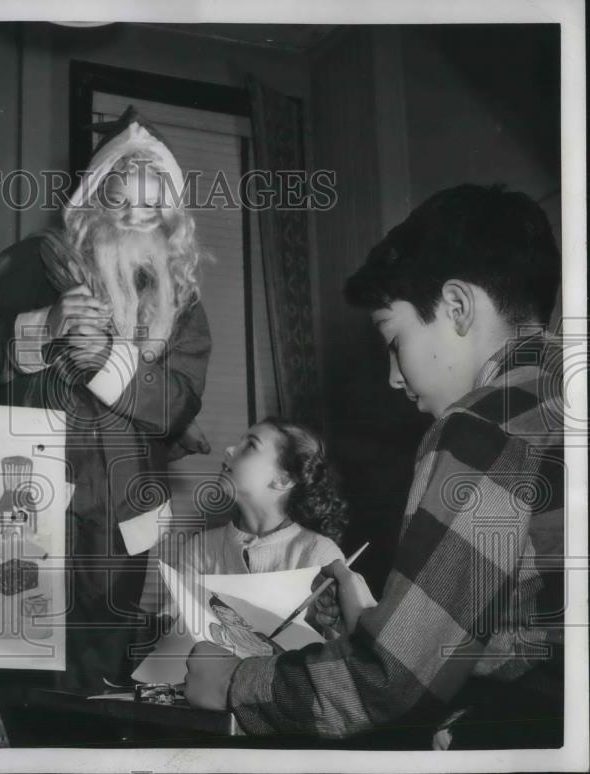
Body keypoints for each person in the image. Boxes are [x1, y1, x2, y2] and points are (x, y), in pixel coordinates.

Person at [184, 184, 564, 749]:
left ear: (457, 307)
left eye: (395, 338)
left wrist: (235, 683)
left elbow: (394, 687)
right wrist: (381, 626)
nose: (393, 376)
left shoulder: (479, 429)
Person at [0, 107, 212, 688]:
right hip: (31, 493)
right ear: (96, 197)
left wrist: (109, 363)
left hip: (122, 512)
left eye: (153, 204)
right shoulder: (37, 262)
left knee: (100, 672)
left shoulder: (181, 300)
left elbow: (179, 404)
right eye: (124, 199)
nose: (138, 215)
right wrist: (43, 325)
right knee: (15, 654)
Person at [172, 418, 345, 578]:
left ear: (283, 480)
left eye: (250, 446)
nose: (229, 449)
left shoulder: (320, 554)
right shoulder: (200, 548)